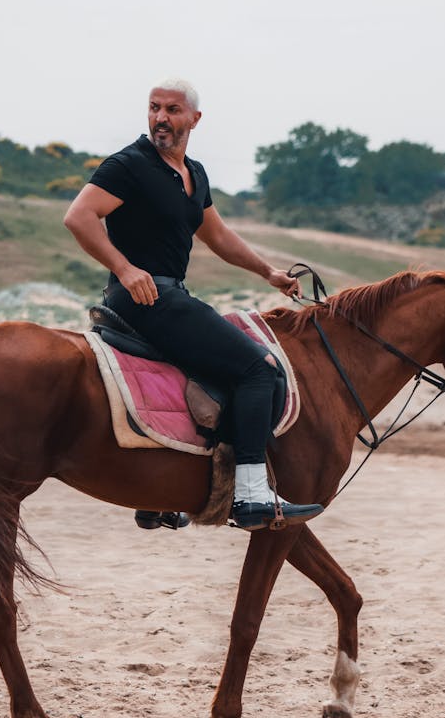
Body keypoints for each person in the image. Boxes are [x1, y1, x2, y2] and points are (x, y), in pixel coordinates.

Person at [63, 79, 323, 531]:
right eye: (154, 108)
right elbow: (78, 216)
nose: (161, 117)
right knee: (259, 369)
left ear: (194, 119)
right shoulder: (129, 165)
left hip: (170, 295)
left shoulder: (194, 174)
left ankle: (163, 493)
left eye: (172, 109)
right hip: (145, 297)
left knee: (215, 371)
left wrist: (269, 273)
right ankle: (250, 496)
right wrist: (125, 269)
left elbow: (217, 236)